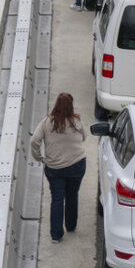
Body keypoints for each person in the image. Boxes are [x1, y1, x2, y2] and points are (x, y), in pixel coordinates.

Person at [29, 93, 87, 243]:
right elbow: (84, 137)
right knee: (72, 195)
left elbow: (34, 141)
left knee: (57, 199)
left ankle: (56, 235)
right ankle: (71, 225)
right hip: (77, 164)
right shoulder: (76, 121)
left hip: (55, 168)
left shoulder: (46, 122)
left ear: (56, 104)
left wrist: (39, 157)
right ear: (71, 105)